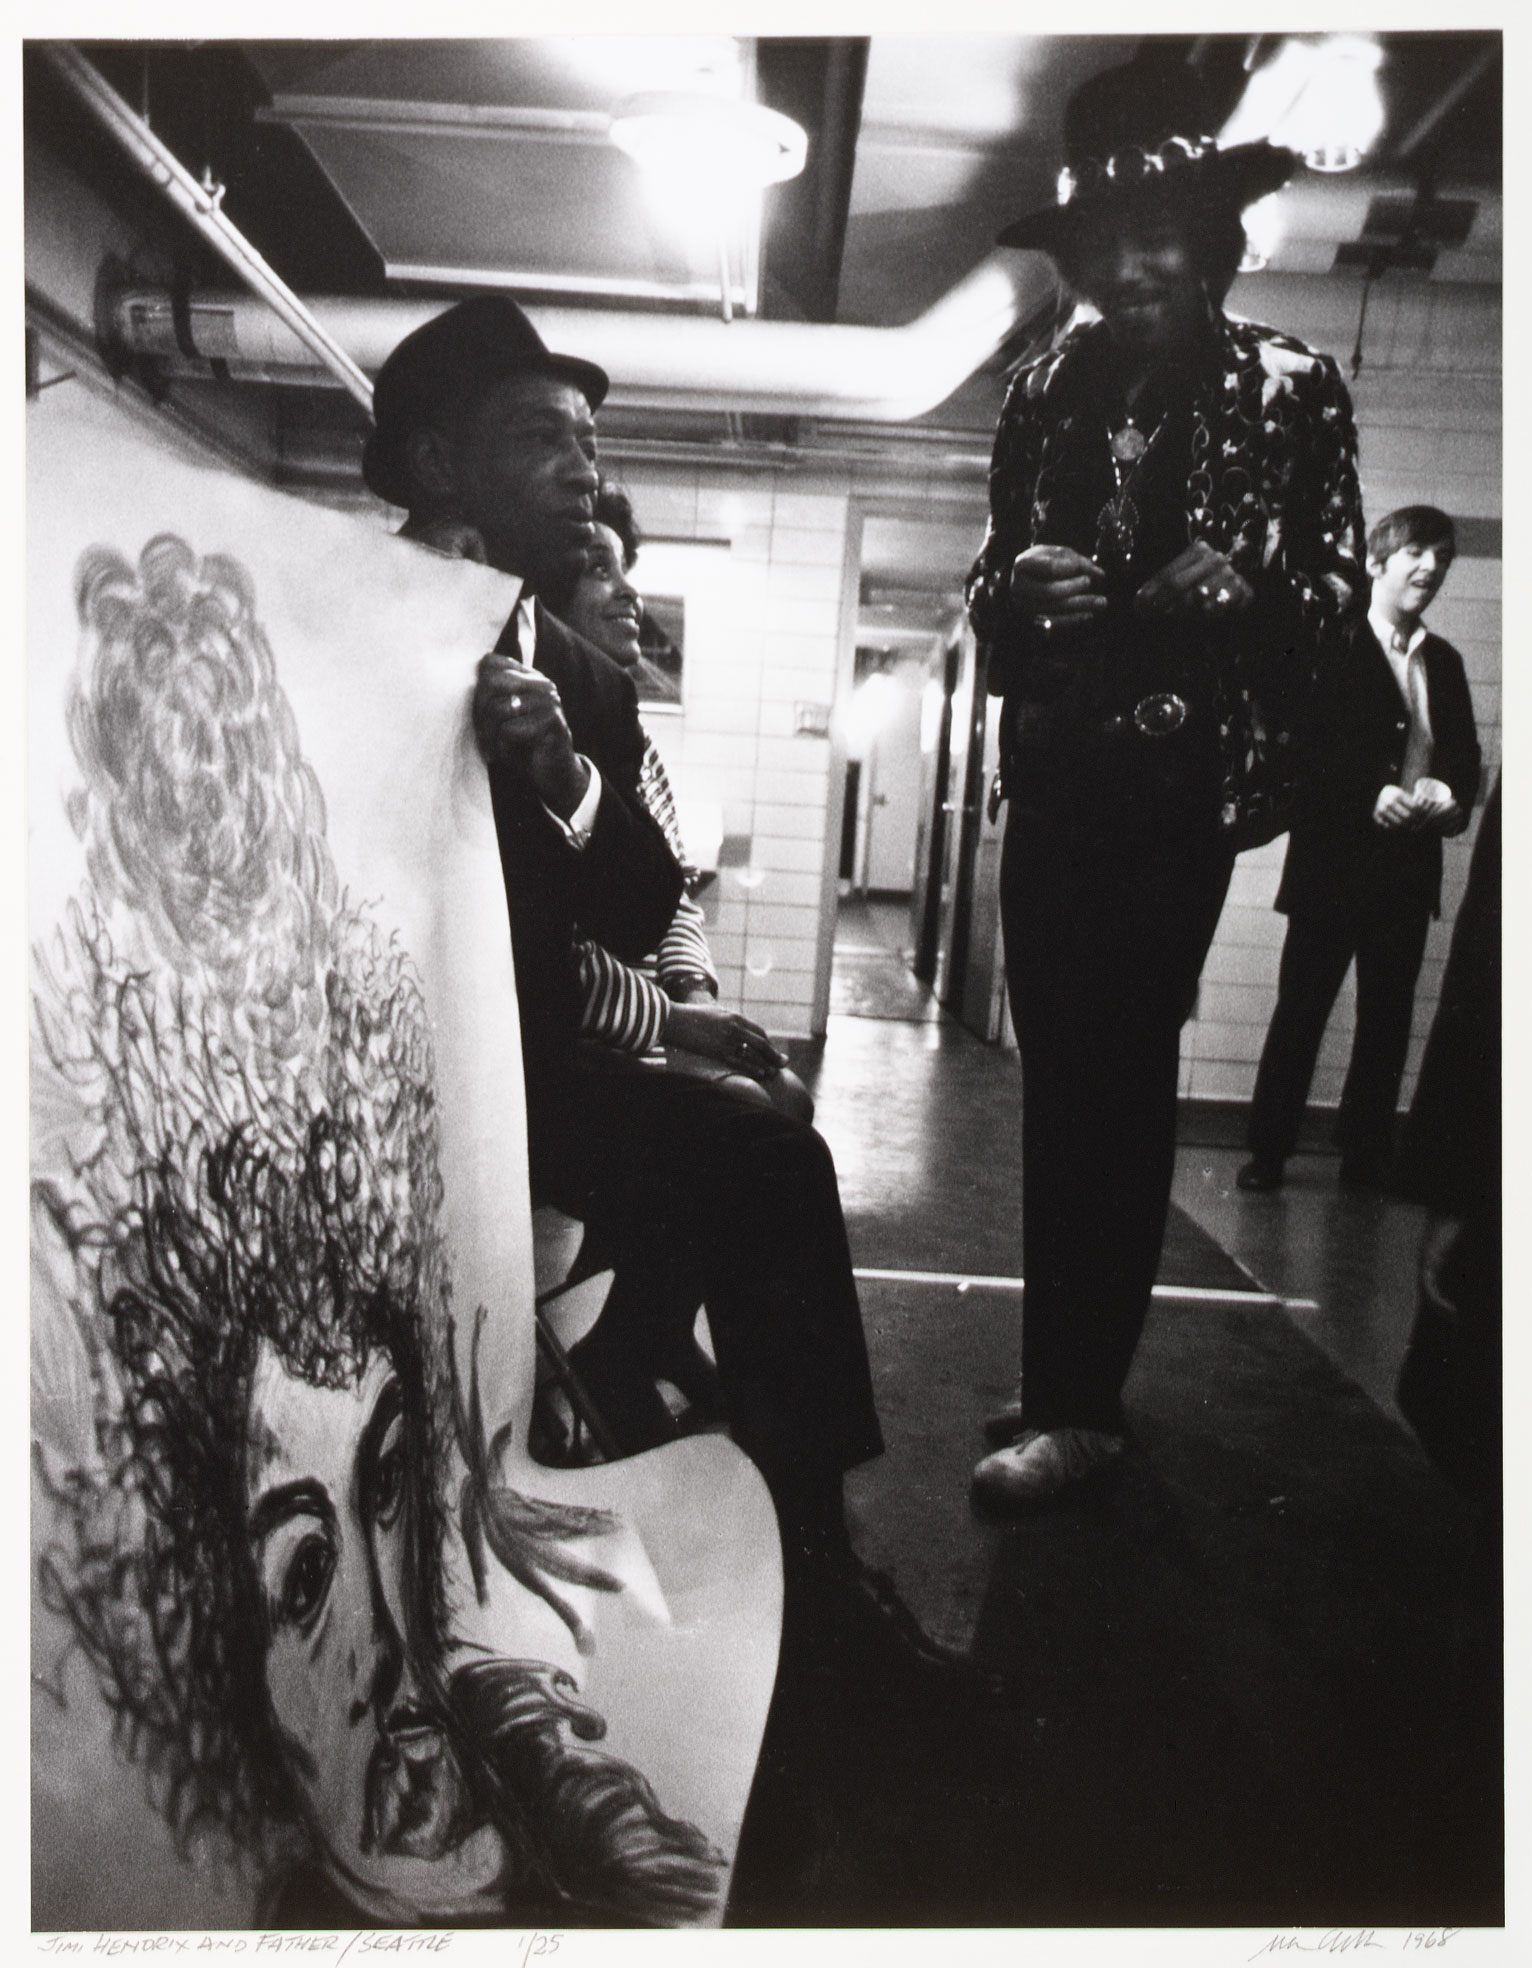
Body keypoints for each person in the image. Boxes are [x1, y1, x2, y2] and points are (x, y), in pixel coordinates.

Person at [360, 295, 972, 1694]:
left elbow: (643, 903)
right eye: (541, 440)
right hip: (366, 1067)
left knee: (764, 1154)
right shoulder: (343, 616)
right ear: (440, 465)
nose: (584, 471)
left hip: (524, 1077)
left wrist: (565, 774)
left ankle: (811, 1547)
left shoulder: (582, 673)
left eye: (591, 441)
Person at [964, 52, 1366, 1509]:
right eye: (1103, 247)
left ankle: (1081, 1408)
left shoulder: (1292, 389)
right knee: (1059, 1081)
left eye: (1159, 240)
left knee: (1118, 1085)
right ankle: (1071, 1373)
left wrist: (1253, 584)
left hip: (1181, 788)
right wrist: (1020, 585)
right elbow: (983, 579)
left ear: (1211, 248)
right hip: (1057, 773)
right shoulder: (1043, 386)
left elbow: (1338, 592)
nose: (1127, 267)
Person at [1239, 506, 1481, 1192]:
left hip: (1406, 870)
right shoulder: (1331, 646)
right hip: (1332, 868)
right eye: (1416, 554)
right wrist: (1367, 793)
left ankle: (1365, 1155)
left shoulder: (1447, 663)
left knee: (1386, 1019)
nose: (1430, 569)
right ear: (1377, 562)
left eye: (1441, 559)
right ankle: (1268, 1151)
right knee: (1302, 1012)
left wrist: (1447, 798)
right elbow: (1302, 755)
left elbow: (1462, 762)